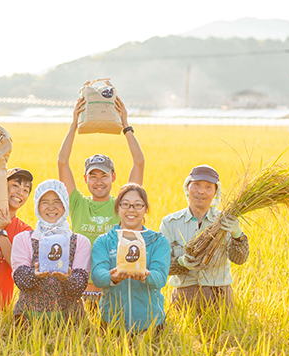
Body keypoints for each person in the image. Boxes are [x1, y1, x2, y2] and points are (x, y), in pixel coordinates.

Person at [57, 96, 145, 304]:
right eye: (93, 176)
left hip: (114, 290)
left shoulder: (123, 205)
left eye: (104, 175)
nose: (99, 181)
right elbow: (62, 162)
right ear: (85, 179)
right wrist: (73, 125)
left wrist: (126, 126)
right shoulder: (77, 204)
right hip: (80, 289)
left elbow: (139, 162)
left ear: (113, 177)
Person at [159, 165, 250, 311]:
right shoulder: (170, 223)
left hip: (220, 295)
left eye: (208, 187)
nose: (201, 191)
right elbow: (161, 264)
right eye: (196, 185)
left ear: (215, 192)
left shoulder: (226, 221)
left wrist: (237, 235)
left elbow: (239, 259)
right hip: (184, 297)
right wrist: (181, 263)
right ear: (187, 188)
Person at [91, 184, 170, 332]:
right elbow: (97, 276)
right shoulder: (104, 241)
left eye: (138, 205)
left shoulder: (158, 241)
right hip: (111, 325)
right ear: (117, 208)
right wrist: (112, 277)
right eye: (125, 204)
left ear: (146, 209)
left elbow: (160, 278)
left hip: (151, 325)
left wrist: (146, 276)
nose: (131, 209)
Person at [10, 180, 91, 323]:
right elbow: (20, 278)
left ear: (65, 204)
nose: (51, 207)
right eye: (45, 202)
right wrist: (34, 274)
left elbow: (80, 284)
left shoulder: (80, 241)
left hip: (70, 320)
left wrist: (67, 278)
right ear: (37, 206)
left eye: (57, 202)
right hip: (29, 319)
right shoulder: (23, 239)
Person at [0, 167, 34, 310]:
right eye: (15, 185)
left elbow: (16, 263)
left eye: (26, 190)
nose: (20, 193)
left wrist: (0, 231)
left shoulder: (25, 231)